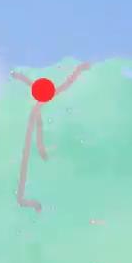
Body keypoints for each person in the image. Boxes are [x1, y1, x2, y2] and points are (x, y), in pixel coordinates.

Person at [12, 62, 91, 211]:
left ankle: (27, 200)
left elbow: (66, 83)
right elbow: (67, 83)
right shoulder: (38, 109)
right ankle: (27, 200)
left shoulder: (38, 108)